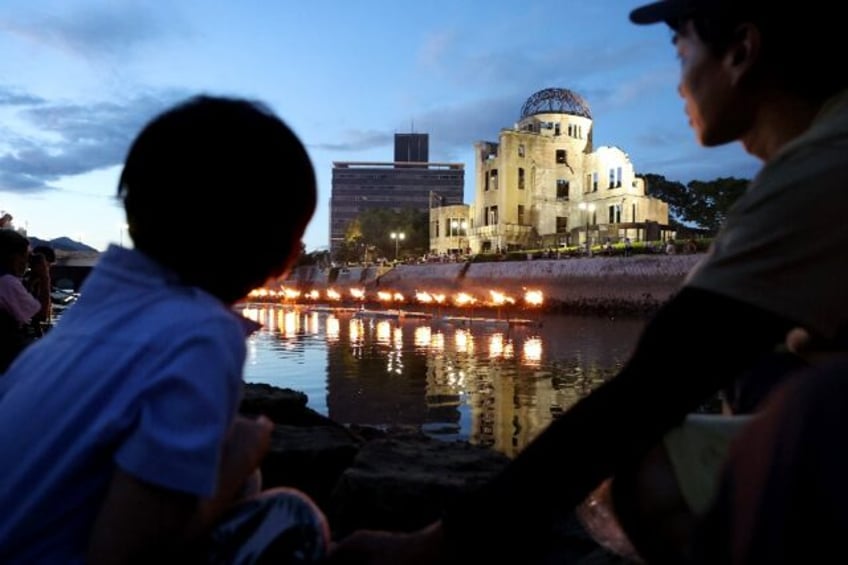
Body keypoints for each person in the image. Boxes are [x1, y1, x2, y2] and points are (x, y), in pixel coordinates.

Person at [326, 1, 848, 563]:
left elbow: (652, 385)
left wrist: (444, 543)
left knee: (640, 463)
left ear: (741, 52)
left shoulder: (823, 167)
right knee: (772, 378)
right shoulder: (819, 154)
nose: (677, 87)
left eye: (681, 52)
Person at [0, 95, 329, 563]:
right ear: (282, 254)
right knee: (292, 519)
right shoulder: (201, 335)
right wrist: (241, 454)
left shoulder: (92, 317)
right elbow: (125, 556)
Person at [0, 229, 42, 372]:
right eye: (25, 256)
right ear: (13, 256)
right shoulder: (7, 282)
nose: (26, 262)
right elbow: (39, 316)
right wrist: (45, 277)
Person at [21, 244, 55, 337]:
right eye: (47, 264)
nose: (48, 268)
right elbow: (41, 315)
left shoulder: (32, 280)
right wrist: (45, 278)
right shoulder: (28, 282)